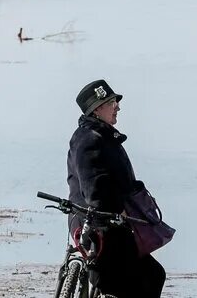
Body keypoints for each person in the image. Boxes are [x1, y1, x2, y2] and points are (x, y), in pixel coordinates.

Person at [67, 79, 166, 298]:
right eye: (112, 102)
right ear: (97, 109)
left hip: (106, 223)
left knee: (153, 275)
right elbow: (95, 189)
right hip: (100, 226)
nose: (118, 107)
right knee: (148, 277)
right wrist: (118, 212)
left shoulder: (100, 136)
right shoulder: (89, 140)